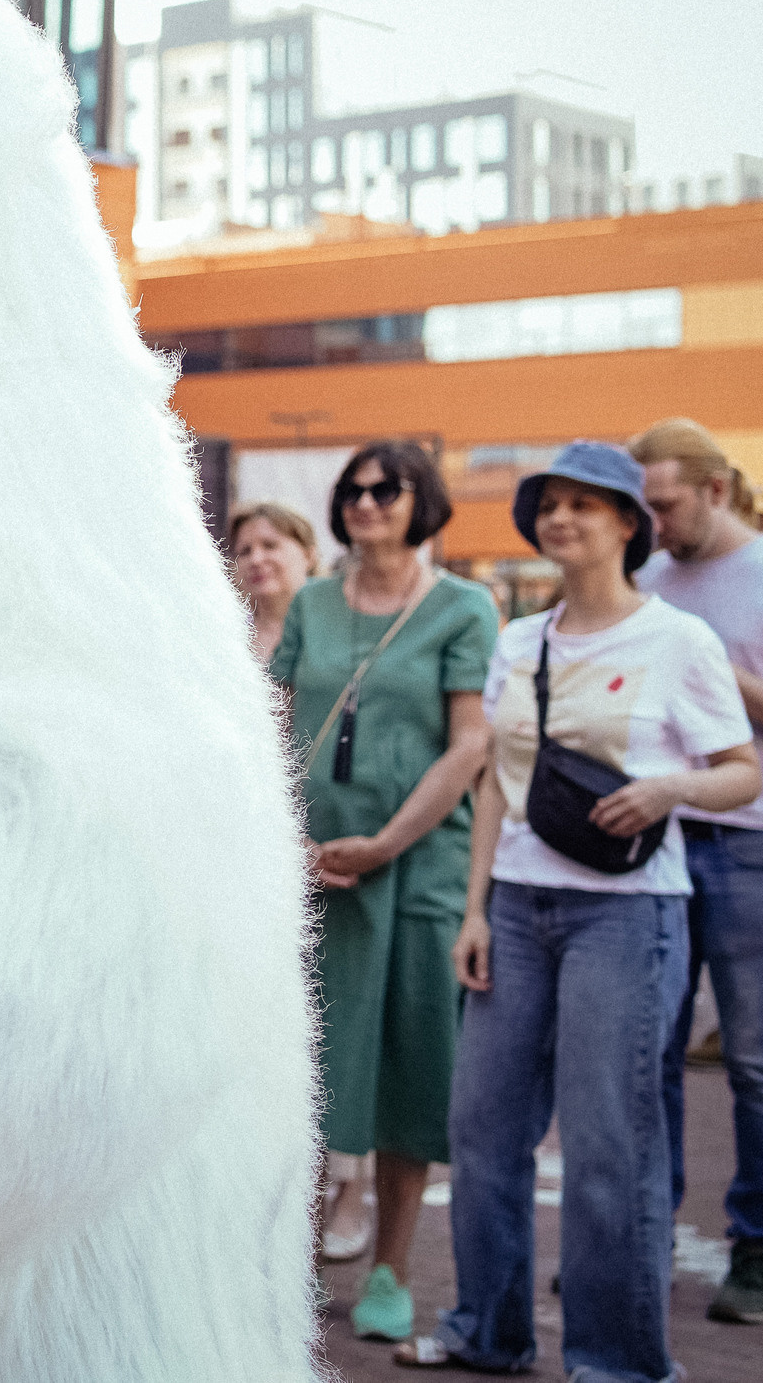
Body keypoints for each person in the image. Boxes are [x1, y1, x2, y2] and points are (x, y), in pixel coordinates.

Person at [401, 441, 760, 1379]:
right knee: (482, 1129)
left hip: (628, 915)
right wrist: (474, 911)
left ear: (628, 523)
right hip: (516, 907)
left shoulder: (679, 640)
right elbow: (493, 787)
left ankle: (617, 1360)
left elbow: (743, 774)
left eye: (584, 505)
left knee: (610, 1145)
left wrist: (665, 789)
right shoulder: (519, 641)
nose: (561, 519)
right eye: (548, 505)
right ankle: (488, 1330)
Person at [271, 440, 498, 1341]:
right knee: (298, 1066)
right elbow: (281, 725)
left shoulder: (463, 607)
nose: (366, 502)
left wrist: (387, 843)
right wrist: (289, 833)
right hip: (311, 863)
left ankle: (392, 1271)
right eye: (353, 490)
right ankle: (283, 1263)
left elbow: (469, 744)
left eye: (386, 489)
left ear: (422, 502)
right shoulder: (313, 604)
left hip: (415, 870)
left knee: (411, 1065)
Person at [630, 417, 763, 1323]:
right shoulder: (649, 578)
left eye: (664, 505)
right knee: (652, 1050)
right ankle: (645, 1238)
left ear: (715, 489)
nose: (653, 524)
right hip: (657, 838)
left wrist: (711, 673)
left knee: (757, 1055)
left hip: (757, 837)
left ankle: (761, 1251)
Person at [230, 500, 317, 663]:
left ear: (308, 555)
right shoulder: (227, 636)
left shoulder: (337, 624)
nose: (255, 560)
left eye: (270, 546)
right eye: (245, 551)